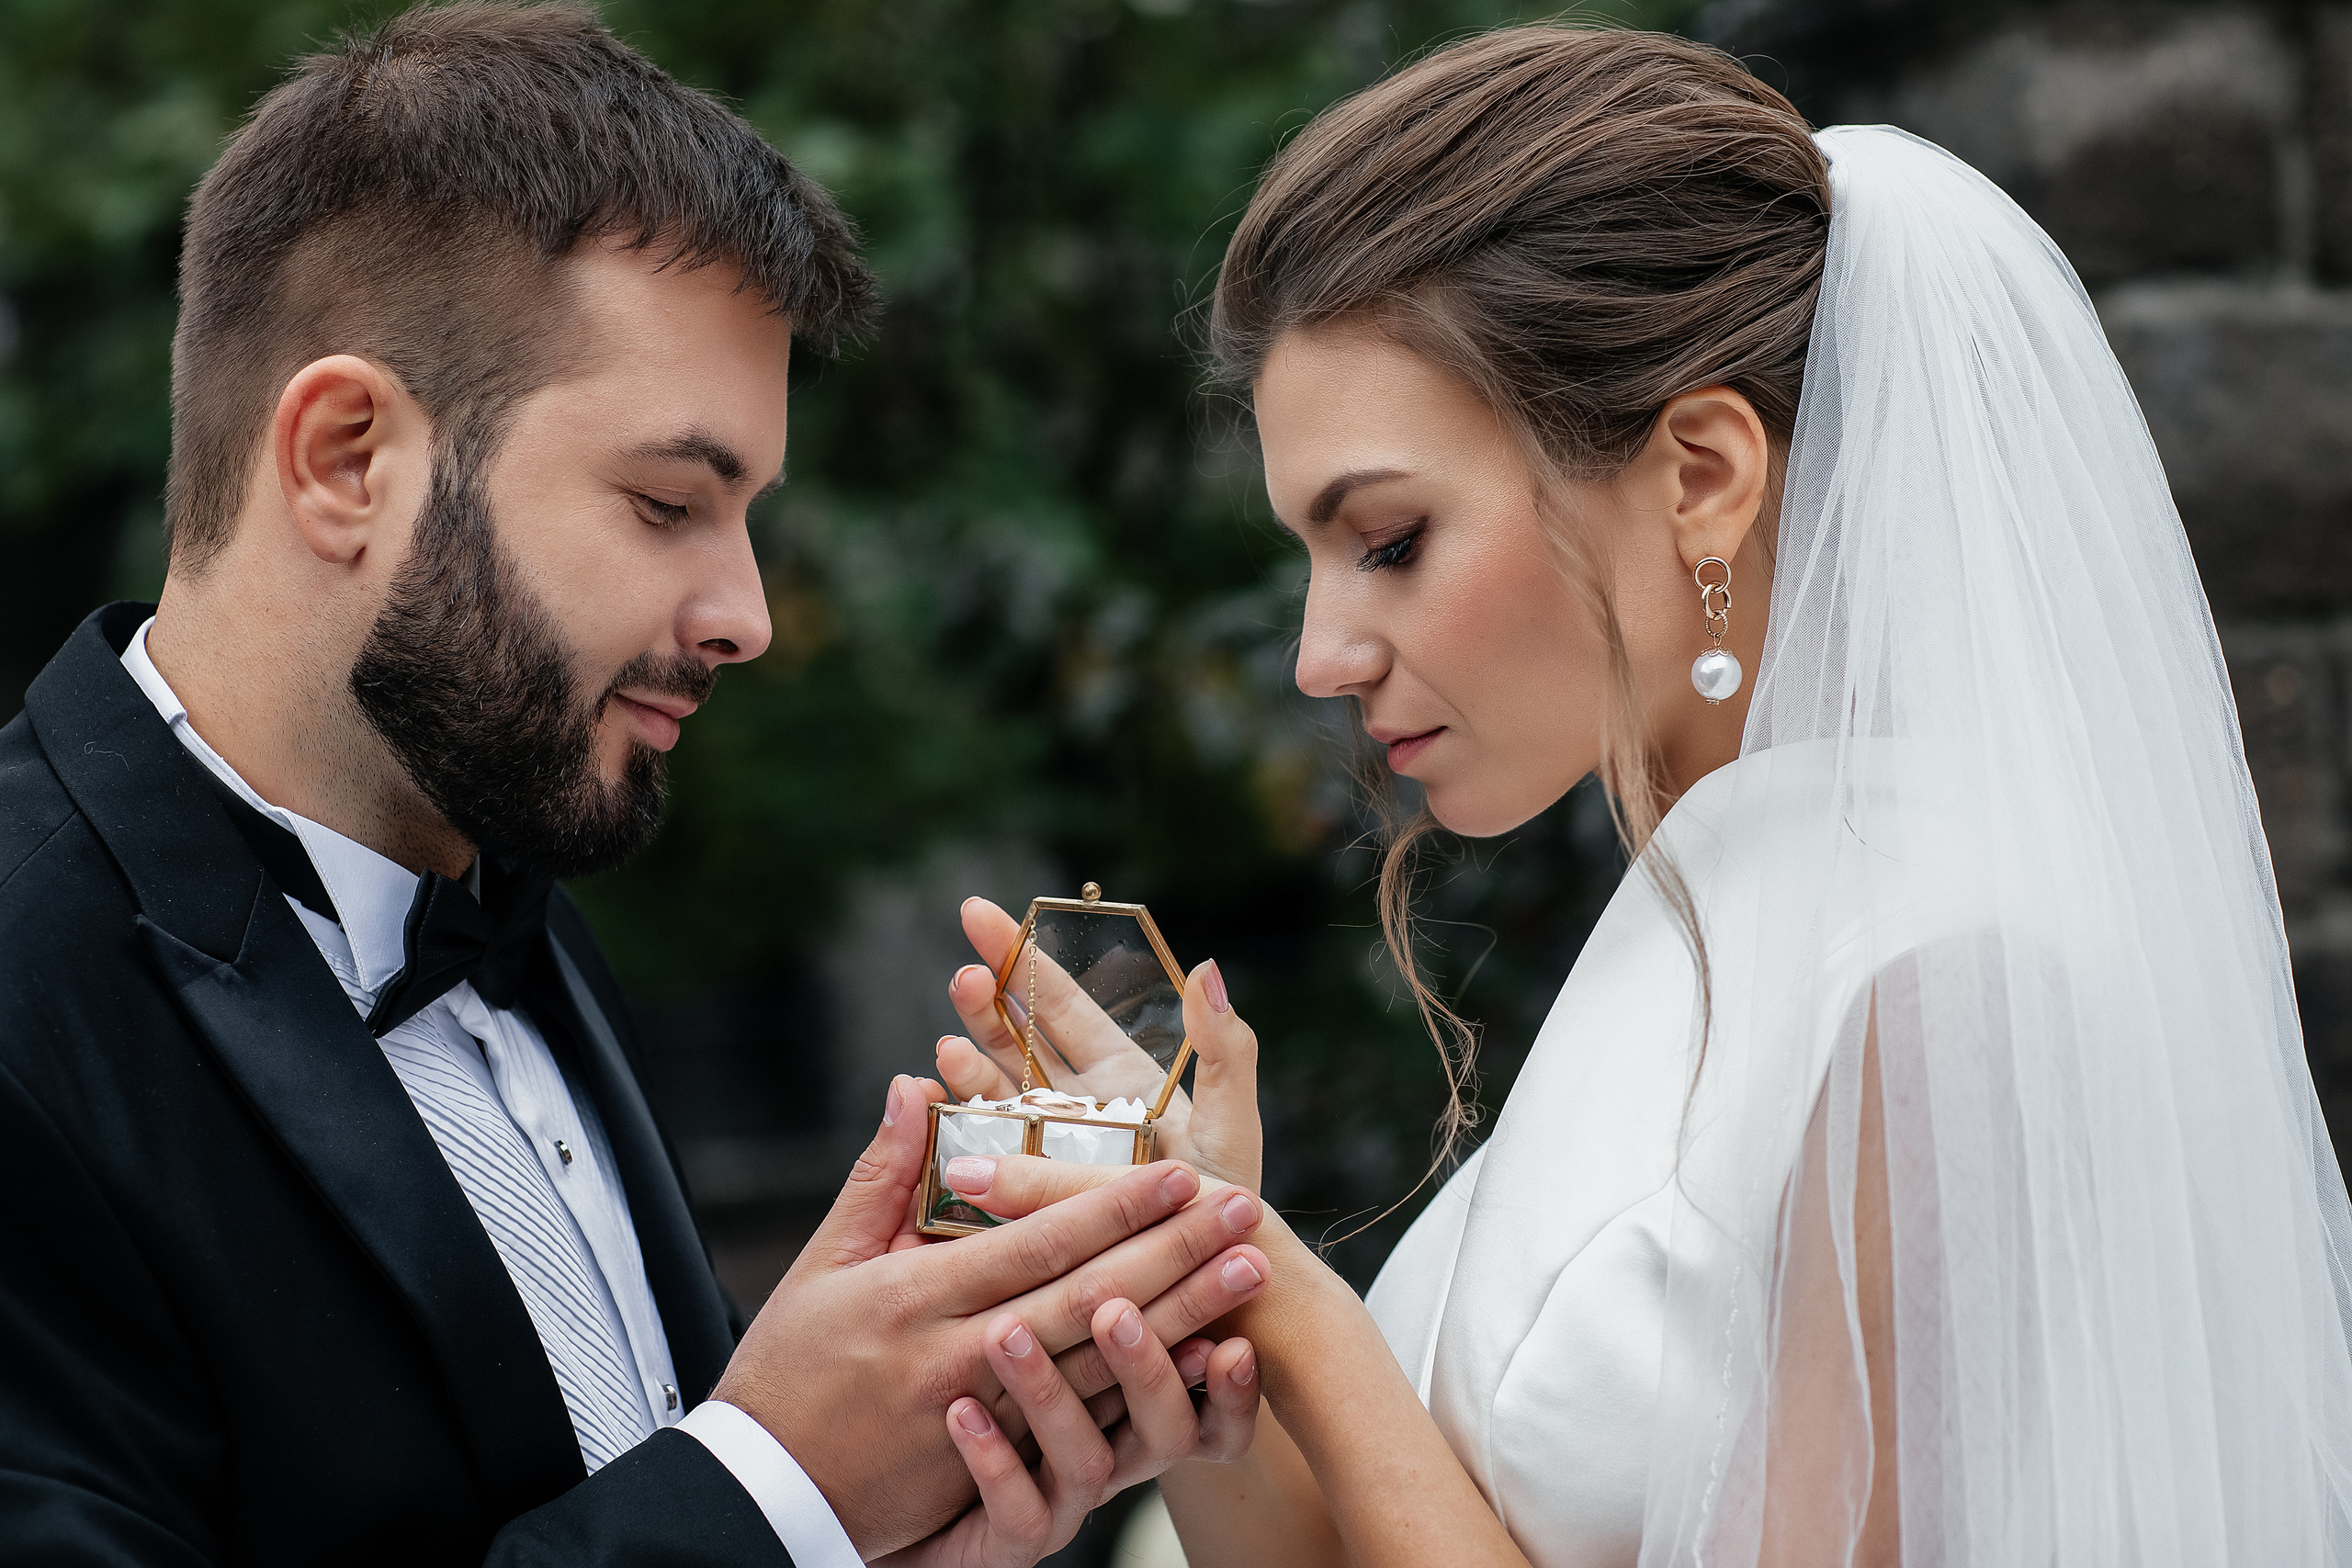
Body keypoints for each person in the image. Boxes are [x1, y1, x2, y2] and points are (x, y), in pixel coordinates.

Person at [922, 25, 2352, 1566]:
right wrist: (1197, 1308)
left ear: (1701, 476)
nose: (1321, 658)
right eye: (1309, 557)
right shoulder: (1700, 924)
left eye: (1390, 539)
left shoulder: (1947, 993)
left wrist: (1294, 1303)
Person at [0, 6, 1274, 1565]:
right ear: (344, 457)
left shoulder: (508, 893)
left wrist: (901, 1510)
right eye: (669, 501)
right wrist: (769, 1487)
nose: (744, 612)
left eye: (745, 518)